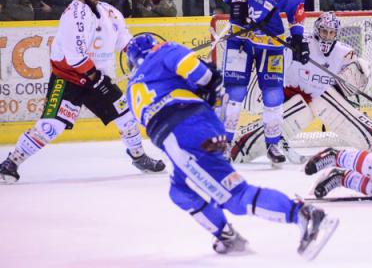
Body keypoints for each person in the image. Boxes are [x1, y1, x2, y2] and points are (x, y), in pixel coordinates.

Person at [124, 34, 338, 258]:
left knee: (235, 197)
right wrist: (212, 96)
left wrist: (208, 92)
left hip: (183, 136)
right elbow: (204, 76)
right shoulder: (166, 51)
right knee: (180, 191)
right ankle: (227, 236)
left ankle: (306, 215)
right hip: (193, 131)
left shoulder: (133, 86)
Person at [0, 0, 165, 184]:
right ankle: (12, 161)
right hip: (68, 79)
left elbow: (123, 39)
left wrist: (141, 52)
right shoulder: (73, 15)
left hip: (97, 79)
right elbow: (75, 55)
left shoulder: (110, 12)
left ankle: (139, 157)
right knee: (52, 126)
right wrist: (95, 77)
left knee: (126, 116)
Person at [229, 12, 372, 163]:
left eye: (331, 33)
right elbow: (274, 70)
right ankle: (242, 144)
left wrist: (361, 74)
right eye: (324, 31)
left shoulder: (344, 52)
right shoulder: (301, 43)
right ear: (317, 30)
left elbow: (357, 79)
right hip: (284, 96)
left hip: (313, 99)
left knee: (319, 103)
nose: (327, 36)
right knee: (300, 106)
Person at [215, 0, 308, 165]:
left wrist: (298, 38)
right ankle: (224, 145)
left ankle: (273, 144)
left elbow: (297, 10)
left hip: (270, 43)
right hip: (240, 39)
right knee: (234, 92)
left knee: (273, 93)